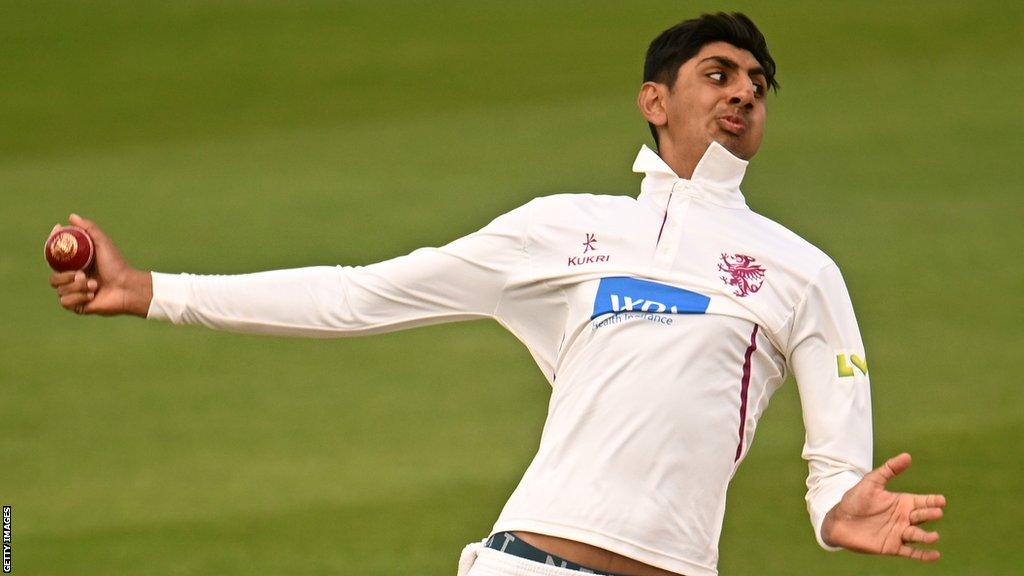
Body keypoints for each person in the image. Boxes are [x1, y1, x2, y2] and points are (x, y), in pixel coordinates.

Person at [48, 12, 945, 576]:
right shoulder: (560, 228)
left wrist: (837, 515)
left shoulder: (802, 272)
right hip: (529, 563)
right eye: (719, 73)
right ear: (654, 101)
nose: (745, 92)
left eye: (759, 84)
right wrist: (150, 290)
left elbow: (838, 467)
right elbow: (359, 295)